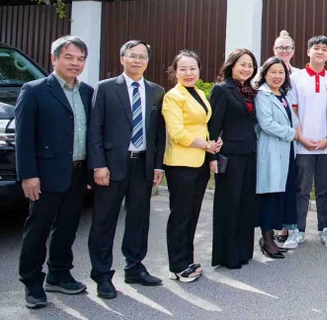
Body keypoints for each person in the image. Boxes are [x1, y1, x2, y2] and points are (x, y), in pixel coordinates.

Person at [15, 36, 93, 309]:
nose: (75, 63)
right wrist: (28, 174)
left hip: (77, 172)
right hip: (44, 175)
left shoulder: (86, 92)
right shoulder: (34, 90)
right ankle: (32, 282)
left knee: (68, 227)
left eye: (81, 59)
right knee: (38, 229)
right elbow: (24, 137)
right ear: (55, 59)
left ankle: (59, 273)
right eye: (69, 57)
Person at [87, 40, 165, 299]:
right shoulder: (106, 88)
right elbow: (95, 129)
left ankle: (134, 267)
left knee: (138, 220)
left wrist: (157, 165)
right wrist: (98, 164)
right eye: (132, 56)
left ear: (147, 61)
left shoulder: (156, 91)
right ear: (122, 58)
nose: (137, 61)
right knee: (104, 221)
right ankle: (102, 275)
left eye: (143, 57)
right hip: (111, 166)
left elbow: (158, 134)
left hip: (142, 165)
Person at [162, 50, 221, 282]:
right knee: (180, 216)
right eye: (183, 69)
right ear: (175, 72)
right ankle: (177, 265)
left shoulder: (197, 92)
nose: (188, 73)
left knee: (192, 214)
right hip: (181, 165)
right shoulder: (173, 96)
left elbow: (202, 124)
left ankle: (187, 259)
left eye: (193, 68)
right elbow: (177, 133)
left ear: (199, 70)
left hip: (199, 163)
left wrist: (214, 143)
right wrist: (206, 145)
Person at [208, 49, 259, 269]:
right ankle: (226, 255)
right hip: (230, 156)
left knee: (246, 204)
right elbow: (213, 126)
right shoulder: (222, 89)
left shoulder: (251, 90)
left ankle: (243, 251)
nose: (246, 69)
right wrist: (213, 156)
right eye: (242, 64)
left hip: (250, 154)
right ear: (231, 65)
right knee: (229, 204)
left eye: (250, 65)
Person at [288, 36, 327, 250]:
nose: (320, 52)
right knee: (301, 188)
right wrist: (301, 137)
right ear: (308, 51)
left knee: (324, 189)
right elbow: (293, 109)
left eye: (324, 49)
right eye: (316, 48)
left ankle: (324, 229)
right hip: (303, 144)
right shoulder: (296, 78)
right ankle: (297, 229)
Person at [254, 56, 300, 259]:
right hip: (271, 151)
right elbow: (266, 123)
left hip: (287, 151)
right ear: (264, 73)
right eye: (273, 71)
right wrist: (292, 133)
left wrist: (295, 132)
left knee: (281, 194)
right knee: (270, 195)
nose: (277, 76)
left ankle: (272, 235)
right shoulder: (261, 95)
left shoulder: (283, 94)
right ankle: (266, 237)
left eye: (281, 72)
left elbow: (294, 119)